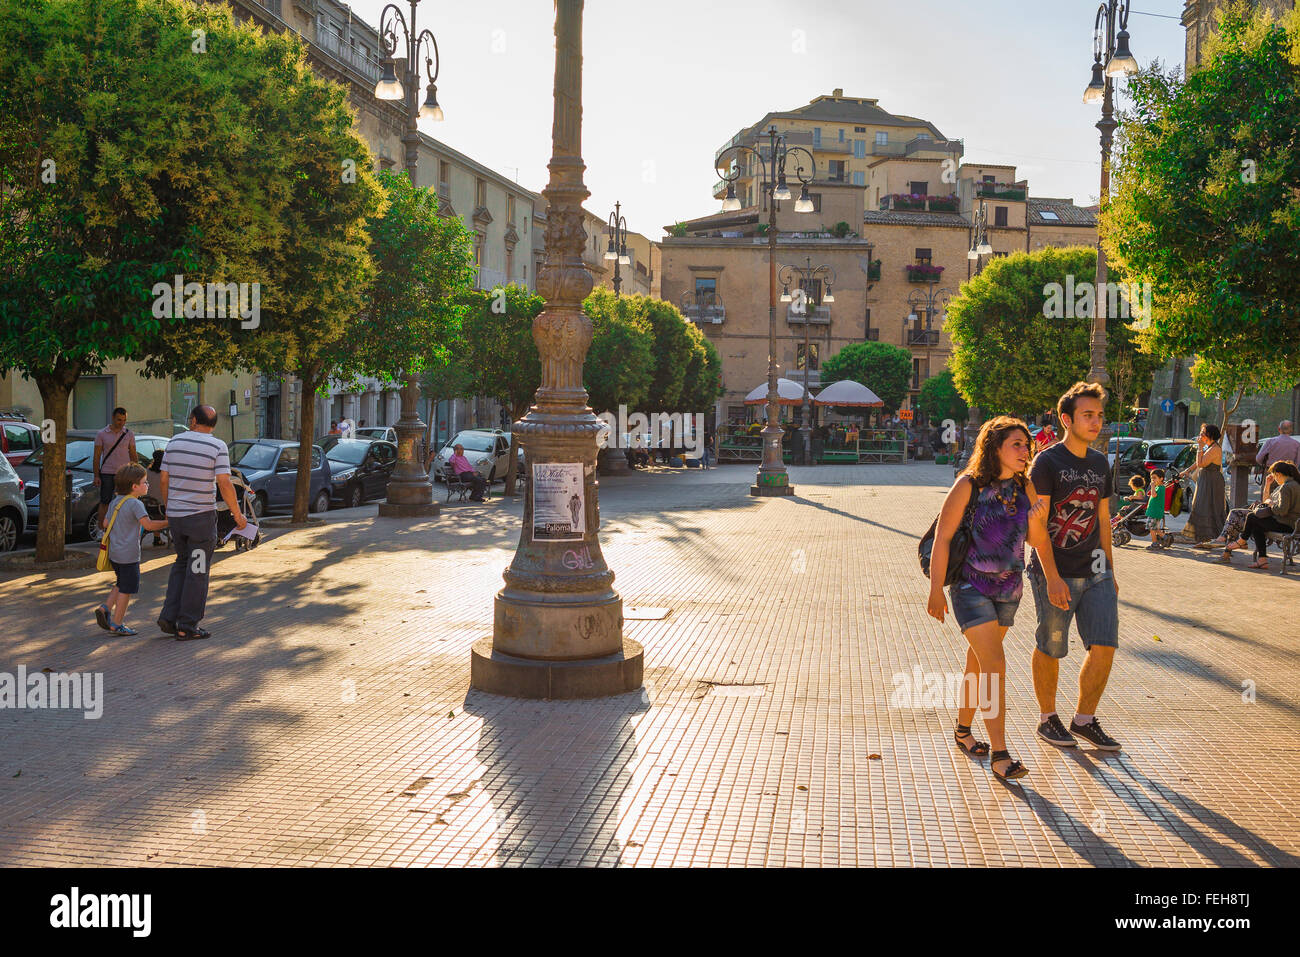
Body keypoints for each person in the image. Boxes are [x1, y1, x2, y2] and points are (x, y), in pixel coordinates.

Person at [927, 416, 1045, 782]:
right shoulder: (969, 485)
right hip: (970, 587)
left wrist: (1039, 516)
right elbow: (943, 538)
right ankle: (1000, 753)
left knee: (978, 665)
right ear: (995, 448)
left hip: (1009, 591)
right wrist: (934, 590)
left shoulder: (1026, 488)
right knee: (994, 666)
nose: (1025, 451)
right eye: (1017, 444)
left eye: (1027, 445)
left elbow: (1037, 542)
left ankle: (963, 730)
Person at [1027, 381, 1122, 752]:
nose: (1096, 421)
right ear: (1067, 419)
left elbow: (1102, 521)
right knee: (1051, 645)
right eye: (1088, 415)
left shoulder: (1100, 463)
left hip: (1096, 570)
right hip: (1055, 569)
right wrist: (1051, 577)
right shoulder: (1047, 462)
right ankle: (1047, 718)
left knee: (1104, 645)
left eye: (1099, 415)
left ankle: (1084, 719)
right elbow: (1039, 525)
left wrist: (1110, 571)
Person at [158, 405, 248, 641]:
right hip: (200, 519)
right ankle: (187, 625)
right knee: (197, 570)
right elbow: (224, 482)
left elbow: (164, 479)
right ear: (213, 424)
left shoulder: (174, 442)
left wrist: (169, 508)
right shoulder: (217, 446)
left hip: (177, 517)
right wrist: (237, 516)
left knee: (182, 562)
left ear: (194, 420)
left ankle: (168, 616)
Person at [94, 464, 169, 637]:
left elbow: (105, 524)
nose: (147, 485)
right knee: (126, 589)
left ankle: (105, 608)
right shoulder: (136, 504)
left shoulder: (115, 502)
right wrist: (168, 522)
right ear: (134, 487)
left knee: (121, 582)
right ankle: (117, 623)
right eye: (145, 482)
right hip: (129, 554)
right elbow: (148, 525)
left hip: (115, 552)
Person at [1220, 461, 1300, 569]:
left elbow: (1282, 510)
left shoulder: (1286, 487)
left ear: (1278, 474)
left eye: (1275, 476)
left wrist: (1271, 504)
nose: (1275, 479)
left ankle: (1242, 540)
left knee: (1252, 517)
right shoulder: (1295, 485)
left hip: (1286, 524)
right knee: (1256, 525)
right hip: (1293, 524)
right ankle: (1262, 560)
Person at [92, 407, 138, 534]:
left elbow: (133, 454)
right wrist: (96, 475)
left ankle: (121, 530)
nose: (121, 423)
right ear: (113, 418)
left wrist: (136, 473)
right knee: (105, 502)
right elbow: (96, 457)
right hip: (107, 473)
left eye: (124, 420)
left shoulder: (129, 434)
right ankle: (101, 530)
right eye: (119, 420)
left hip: (124, 474)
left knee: (124, 502)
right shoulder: (101, 434)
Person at [1181, 423, 1226, 543]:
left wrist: (1200, 446)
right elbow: (1198, 462)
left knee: (1209, 507)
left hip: (1212, 481)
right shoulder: (1209, 447)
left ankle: (1216, 537)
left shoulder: (1215, 448)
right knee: (1201, 506)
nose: (1200, 435)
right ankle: (1202, 538)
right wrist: (1187, 470)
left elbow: (1201, 463)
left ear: (1209, 435)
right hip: (1205, 479)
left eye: (1203, 433)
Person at [1256, 421, 1300, 498]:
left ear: (1279, 429)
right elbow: (1297, 463)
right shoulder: (1297, 444)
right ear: (1291, 430)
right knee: (1284, 498)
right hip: (1288, 476)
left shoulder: (1270, 441)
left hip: (1271, 474)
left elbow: (1259, 458)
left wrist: (1266, 466)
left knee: (1267, 498)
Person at [1144, 468, 1170, 549]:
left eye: (1155, 478)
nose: (1153, 480)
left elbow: (1154, 495)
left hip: (1154, 512)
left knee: (1152, 529)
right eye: (1152, 478)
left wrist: (1152, 487)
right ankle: (1166, 538)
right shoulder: (1158, 487)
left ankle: (1155, 543)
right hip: (1154, 511)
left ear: (1161, 478)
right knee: (1156, 529)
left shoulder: (1161, 488)